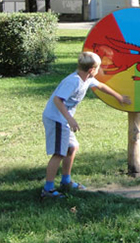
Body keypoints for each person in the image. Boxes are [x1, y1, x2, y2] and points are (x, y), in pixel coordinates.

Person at [41, 52, 131, 199]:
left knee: (72, 147)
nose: (98, 71)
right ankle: (48, 189)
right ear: (91, 69)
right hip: (56, 118)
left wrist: (119, 97)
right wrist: (70, 119)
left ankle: (66, 181)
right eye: (98, 68)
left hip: (63, 119)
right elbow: (58, 100)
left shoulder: (87, 79)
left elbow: (101, 86)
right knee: (59, 153)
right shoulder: (74, 81)